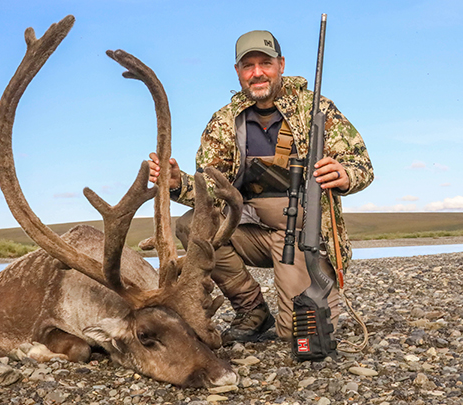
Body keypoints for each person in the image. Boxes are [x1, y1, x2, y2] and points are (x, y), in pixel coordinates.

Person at [148, 30, 373, 343]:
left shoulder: (316, 109)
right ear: (238, 72)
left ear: (280, 64)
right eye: (248, 65)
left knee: (300, 336)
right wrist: (178, 182)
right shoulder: (224, 121)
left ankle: (302, 300)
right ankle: (251, 308)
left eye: (265, 63)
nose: (257, 72)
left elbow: (362, 165)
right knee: (193, 226)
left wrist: (346, 175)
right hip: (249, 227)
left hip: (300, 231)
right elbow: (211, 188)